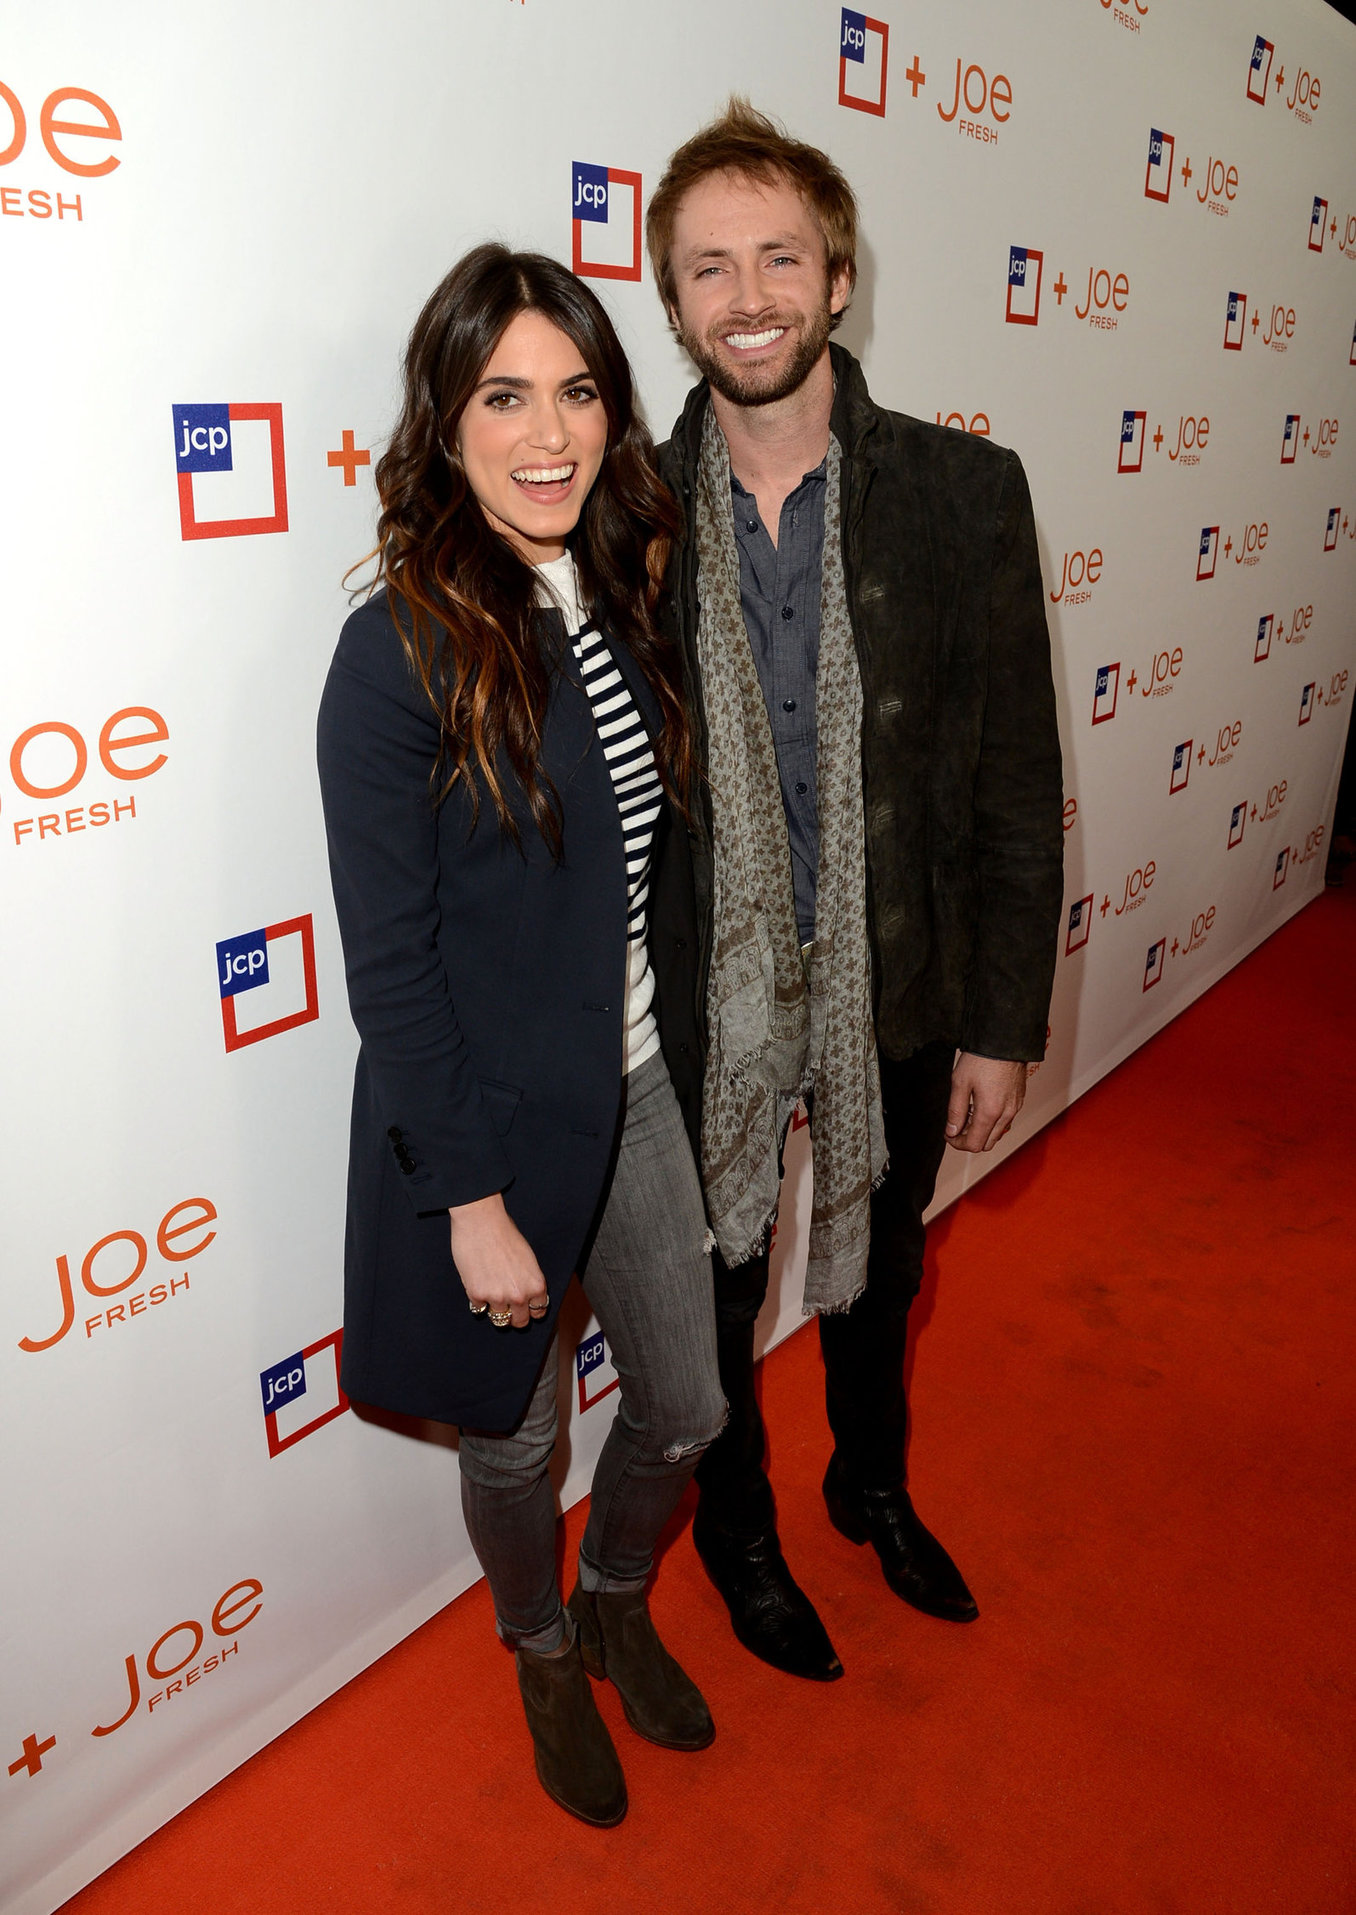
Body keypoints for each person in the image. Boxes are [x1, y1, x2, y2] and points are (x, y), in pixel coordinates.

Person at [642, 103, 1064, 1680]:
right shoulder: (621, 515)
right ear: (672, 301)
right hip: (706, 998)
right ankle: (738, 1530)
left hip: (902, 969)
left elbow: (1014, 781)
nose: (747, 296)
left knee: (882, 1273)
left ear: (837, 279)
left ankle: (869, 1484)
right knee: (717, 1289)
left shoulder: (966, 493)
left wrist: (1001, 1021)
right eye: (709, 268)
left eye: (779, 260)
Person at [316, 244, 726, 1826]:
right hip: (491, 1128)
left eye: (577, 391)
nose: (548, 434)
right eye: (504, 396)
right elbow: (392, 963)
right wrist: (470, 1198)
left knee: (686, 1404)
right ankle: (542, 1645)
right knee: (512, 1440)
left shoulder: (622, 593)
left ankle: (614, 1596)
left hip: (635, 1086)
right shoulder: (397, 648)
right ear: (446, 419)